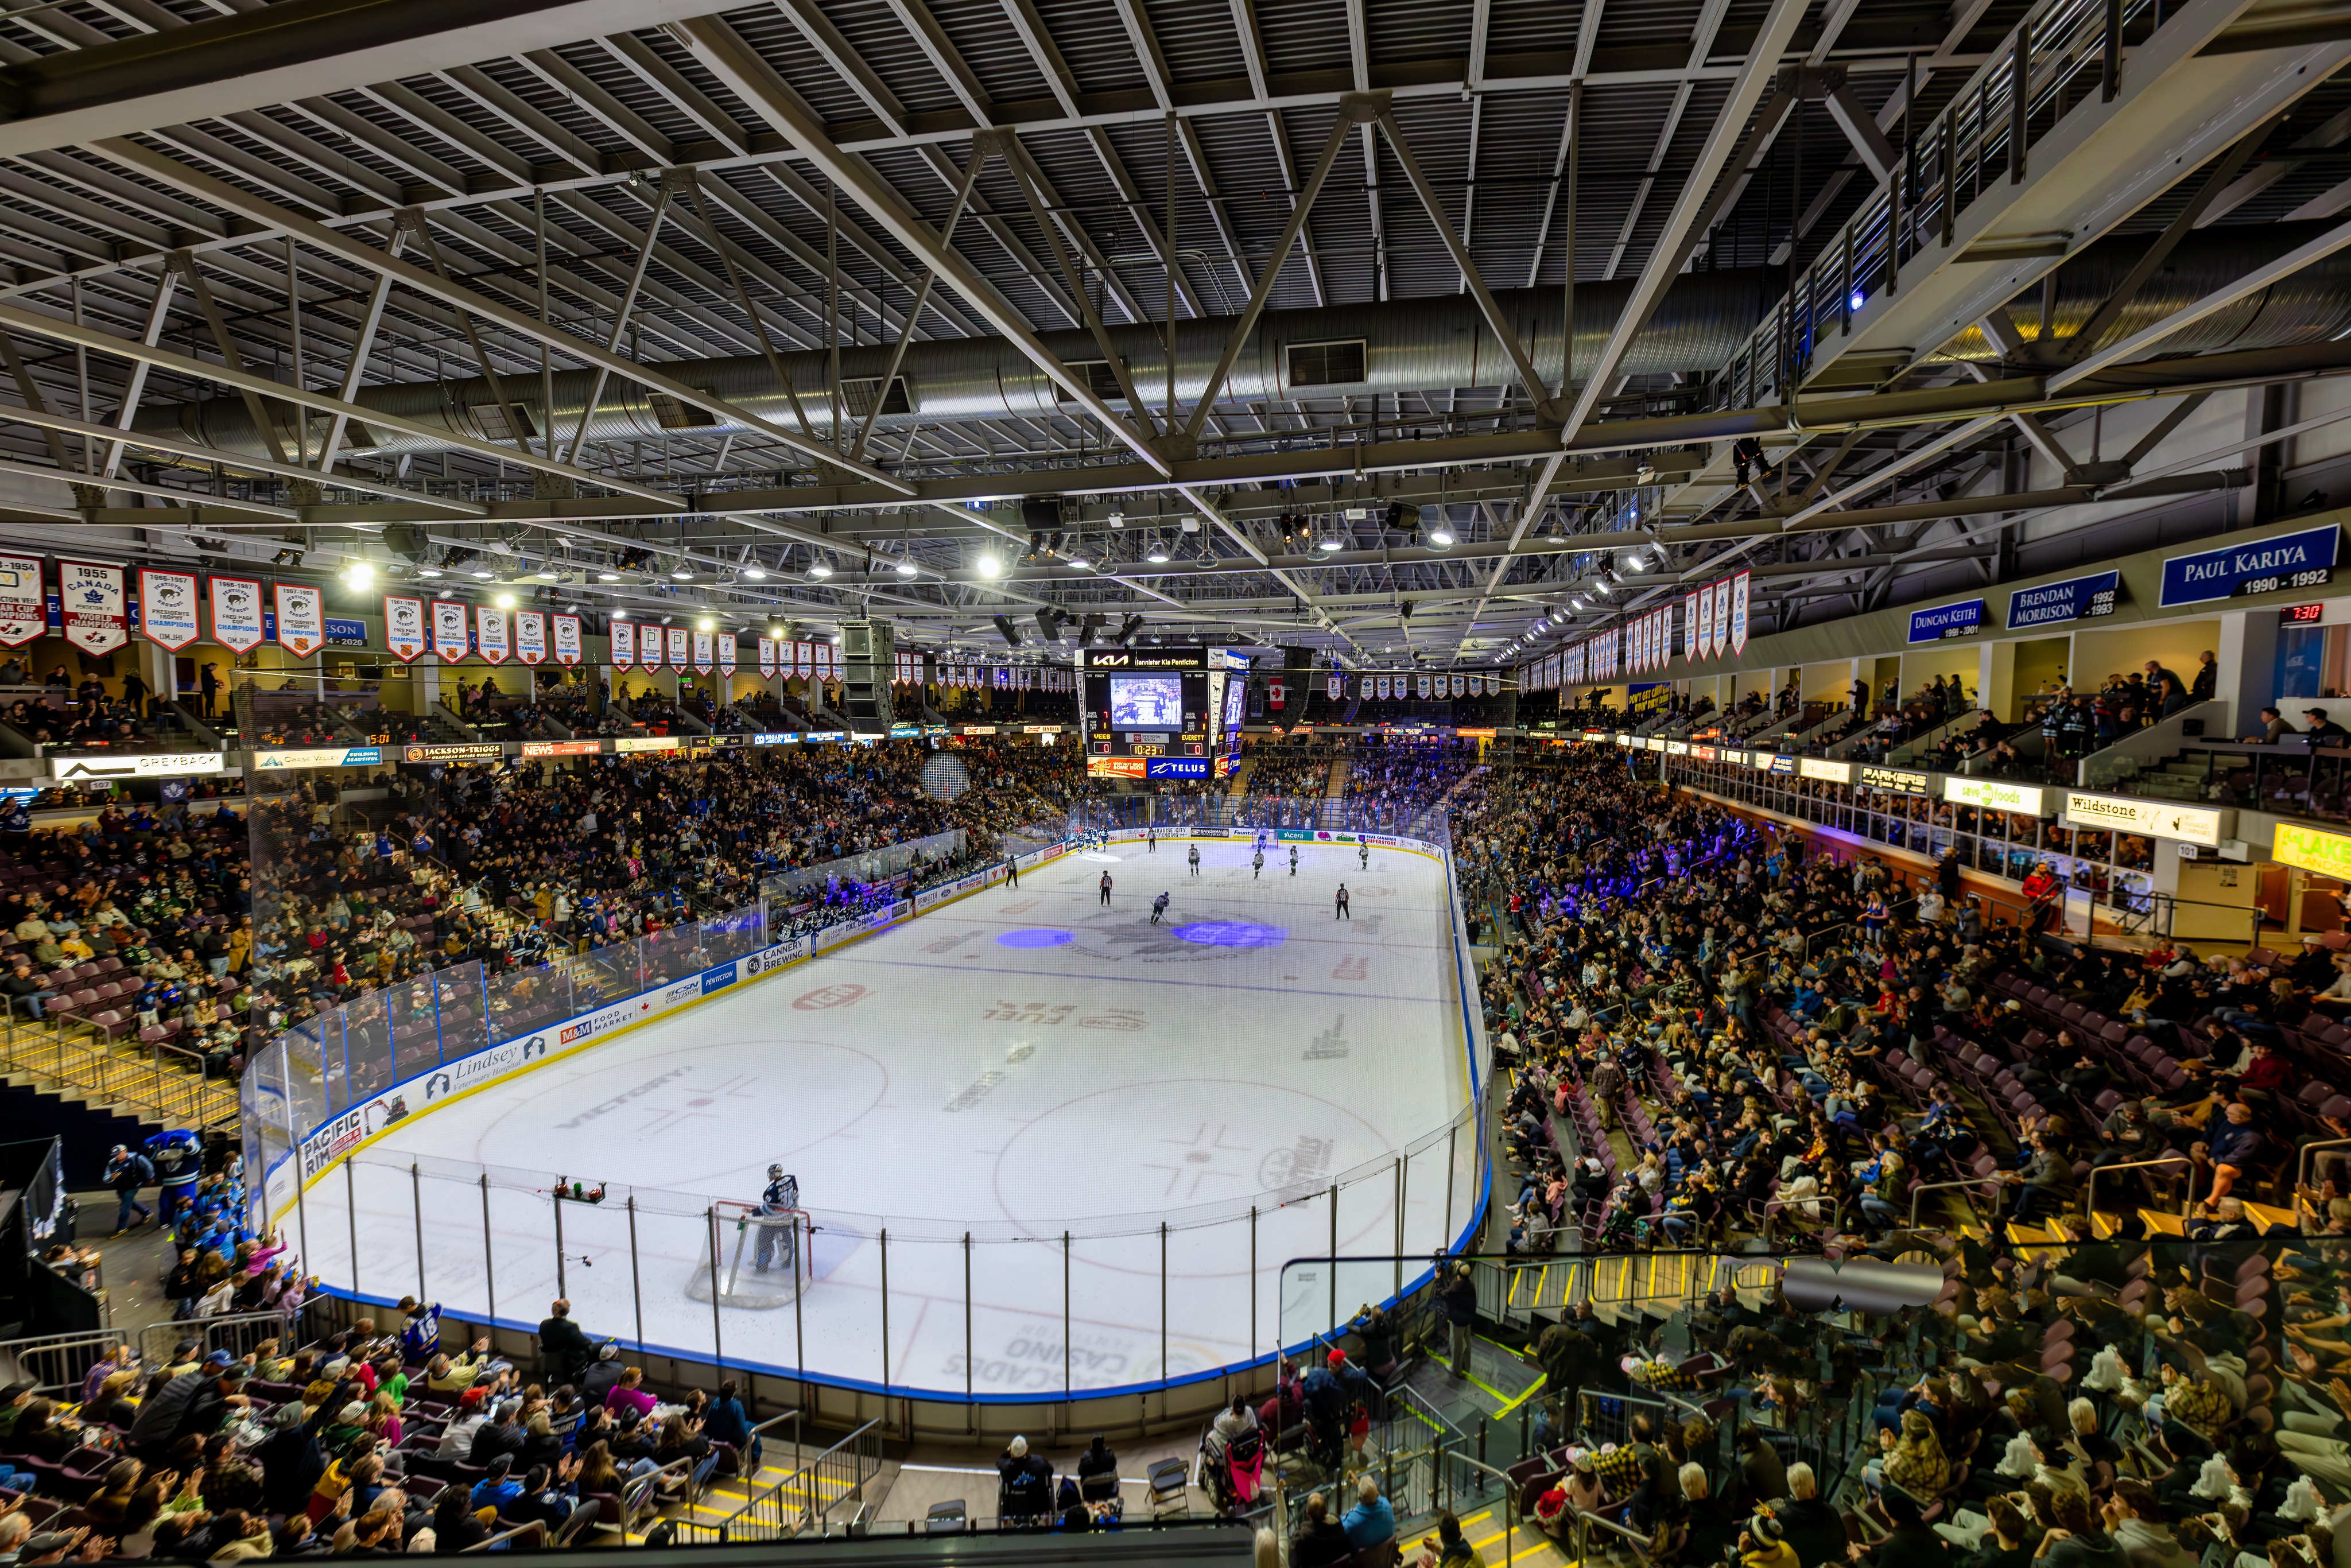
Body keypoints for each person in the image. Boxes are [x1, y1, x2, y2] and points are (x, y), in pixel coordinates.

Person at [754, 1166, 798, 1275]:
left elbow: (768, 1209)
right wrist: (793, 1208)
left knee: (764, 1240)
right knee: (786, 1236)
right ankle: (788, 1259)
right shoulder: (791, 1179)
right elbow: (795, 1195)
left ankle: (762, 1266)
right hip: (788, 1217)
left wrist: (753, 1212)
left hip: (774, 1220)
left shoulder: (771, 1190)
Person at [997, 1435, 1053, 1523]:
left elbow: (1000, 1460)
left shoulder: (1006, 1467)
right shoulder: (1039, 1462)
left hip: (1014, 1507)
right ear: (1027, 1449)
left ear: (1011, 1453)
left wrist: (1009, 1449)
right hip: (1037, 1505)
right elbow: (1050, 1470)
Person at [538, 1300, 594, 1385]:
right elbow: (584, 1342)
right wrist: (589, 1340)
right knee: (595, 1349)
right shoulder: (571, 1327)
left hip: (550, 1363)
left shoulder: (544, 1324)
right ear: (565, 1311)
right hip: (567, 1363)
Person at [104, 1144, 153, 1237]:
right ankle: (146, 1212)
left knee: (125, 1206)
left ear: (125, 1151)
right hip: (121, 1188)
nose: (116, 1156)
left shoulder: (135, 1158)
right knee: (128, 1202)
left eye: (118, 1154)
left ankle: (122, 1227)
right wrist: (111, 1178)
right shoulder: (112, 1164)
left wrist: (150, 1177)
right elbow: (106, 1178)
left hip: (133, 1186)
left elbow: (148, 1166)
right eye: (115, 1155)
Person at [1341, 1476, 1394, 1550]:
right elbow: (1378, 1498)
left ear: (1359, 1498)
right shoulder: (1388, 1507)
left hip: (1363, 1562)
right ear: (1378, 1495)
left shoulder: (1351, 1523)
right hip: (1384, 1560)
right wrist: (1358, 1484)